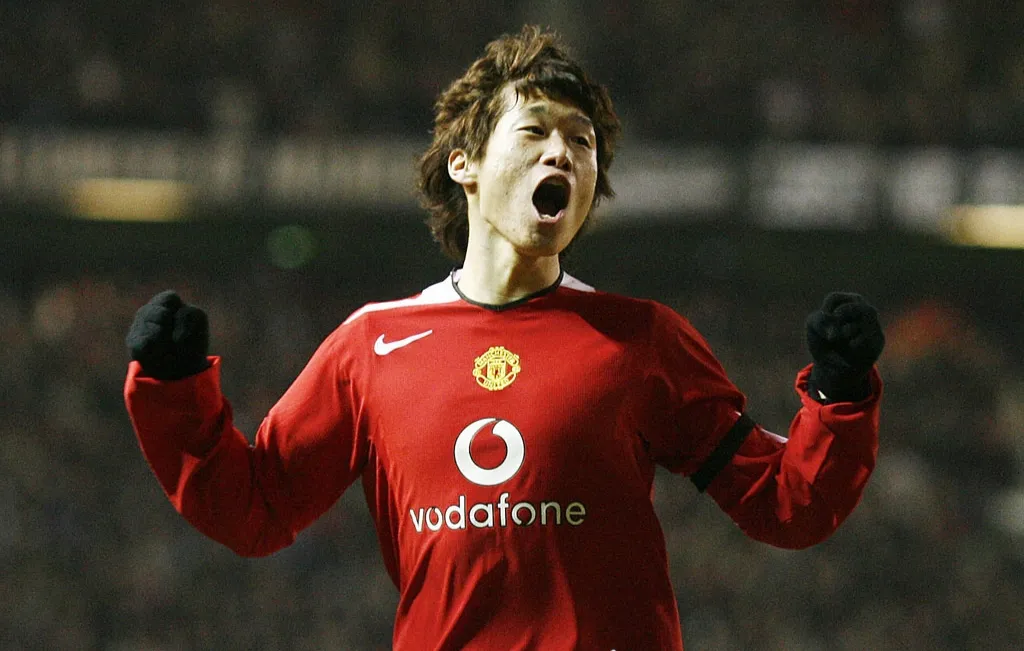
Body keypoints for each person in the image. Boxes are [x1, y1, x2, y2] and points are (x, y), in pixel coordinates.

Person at [124, 25, 885, 651]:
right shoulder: (371, 346)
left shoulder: (641, 339)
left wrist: (839, 392)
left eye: (582, 142)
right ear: (466, 163)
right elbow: (254, 507)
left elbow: (785, 504)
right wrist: (173, 391)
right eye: (536, 130)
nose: (563, 152)